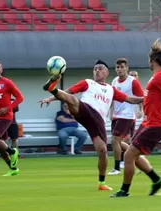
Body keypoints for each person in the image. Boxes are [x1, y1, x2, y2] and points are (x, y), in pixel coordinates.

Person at [39, 59, 144, 191]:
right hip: (85, 109)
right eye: (95, 69)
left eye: (100, 68)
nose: (97, 71)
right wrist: (51, 98)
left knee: (103, 150)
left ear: (106, 72)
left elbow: (130, 99)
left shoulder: (111, 89)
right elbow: (69, 92)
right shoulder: (88, 82)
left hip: (97, 120)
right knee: (73, 100)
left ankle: (102, 183)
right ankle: (52, 89)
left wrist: (149, 98)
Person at [111, 38, 161, 197]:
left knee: (129, 155)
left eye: (149, 60)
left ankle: (124, 190)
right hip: (148, 122)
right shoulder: (158, 76)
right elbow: (152, 97)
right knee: (132, 153)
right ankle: (156, 180)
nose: (148, 63)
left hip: (155, 124)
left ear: (153, 61)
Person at [108, 58, 144, 175]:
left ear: (126, 68)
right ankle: (138, 159)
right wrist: (111, 112)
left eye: (122, 67)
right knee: (118, 142)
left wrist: (141, 110)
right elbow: (113, 98)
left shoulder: (132, 82)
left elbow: (142, 97)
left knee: (115, 140)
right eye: (117, 67)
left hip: (127, 115)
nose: (119, 69)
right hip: (117, 115)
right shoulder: (114, 81)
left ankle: (117, 168)